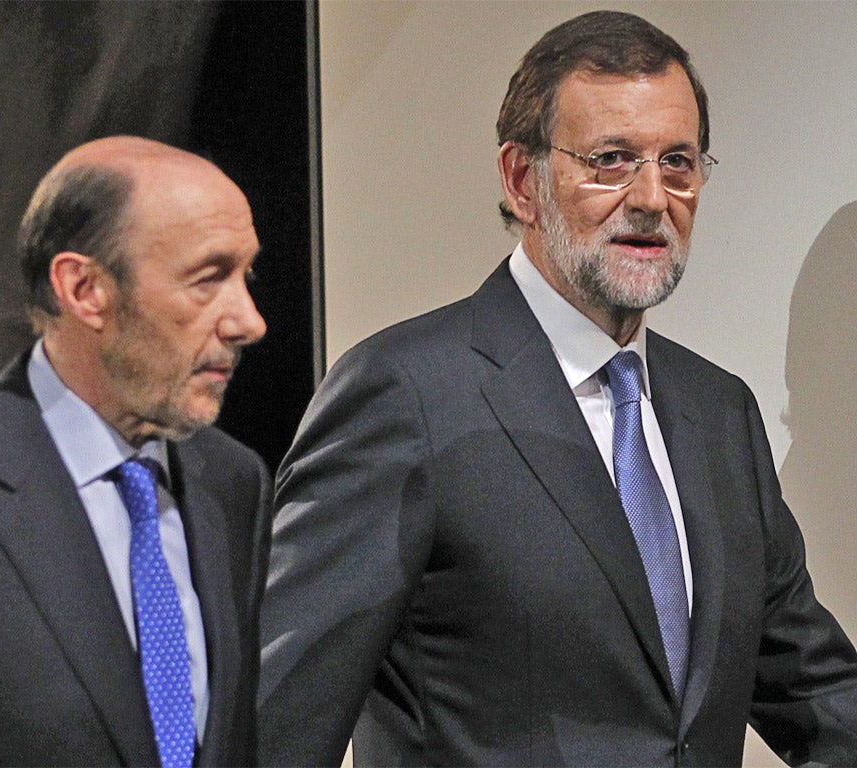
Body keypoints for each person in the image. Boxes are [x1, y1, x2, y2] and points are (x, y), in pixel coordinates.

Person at [258, 11, 857, 766]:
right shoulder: (403, 394)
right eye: (611, 159)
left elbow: (814, 693)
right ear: (522, 179)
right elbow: (276, 722)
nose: (651, 196)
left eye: (678, 162)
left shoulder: (719, 411)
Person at [0, 136, 271, 767]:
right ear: (85, 288)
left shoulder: (233, 481)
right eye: (209, 278)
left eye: (246, 276)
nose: (249, 321)